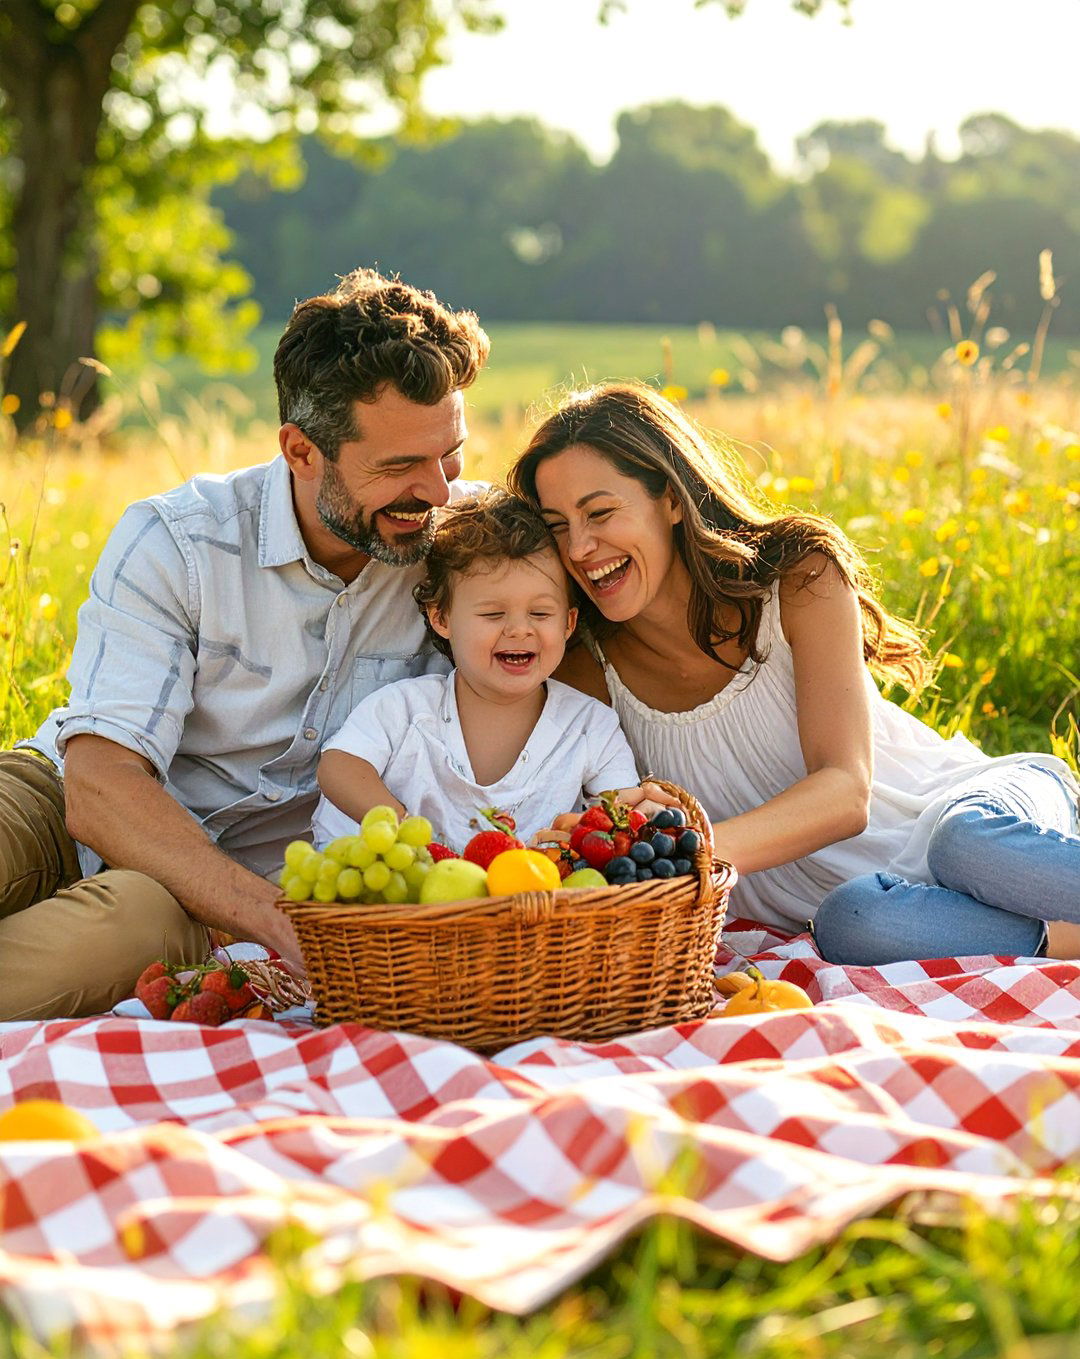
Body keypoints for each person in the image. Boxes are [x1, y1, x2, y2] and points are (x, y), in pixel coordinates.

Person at [1, 268, 489, 1020]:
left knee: (131, 925)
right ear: (301, 451)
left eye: (448, 454)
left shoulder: (471, 550)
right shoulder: (179, 541)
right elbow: (97, 783)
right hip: (62, 796)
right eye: (398, 467)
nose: (435, 490)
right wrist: (280, 921)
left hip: (183, 896)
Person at [506, 381, 1080, 964]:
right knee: (853, 924)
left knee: (965, 844)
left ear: (671, 499)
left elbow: (844, 794)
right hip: (883, 905)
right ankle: (1061, 940)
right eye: (557, 526)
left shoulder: (797, 578)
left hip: (980, 815)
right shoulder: (584, 667)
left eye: (600, 512)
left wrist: (690, 846)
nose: (579, 546)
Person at [312, 490, 668, 854]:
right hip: (392, 899)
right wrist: (403, 830)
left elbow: (622, 814)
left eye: (541, 614)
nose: (518, 630)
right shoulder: (406, 709)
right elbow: (338, 768)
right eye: (493, 615)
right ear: (442, 618)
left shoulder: (590, 727)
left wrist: (582, 835)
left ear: (568, 623)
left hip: (528, 901)